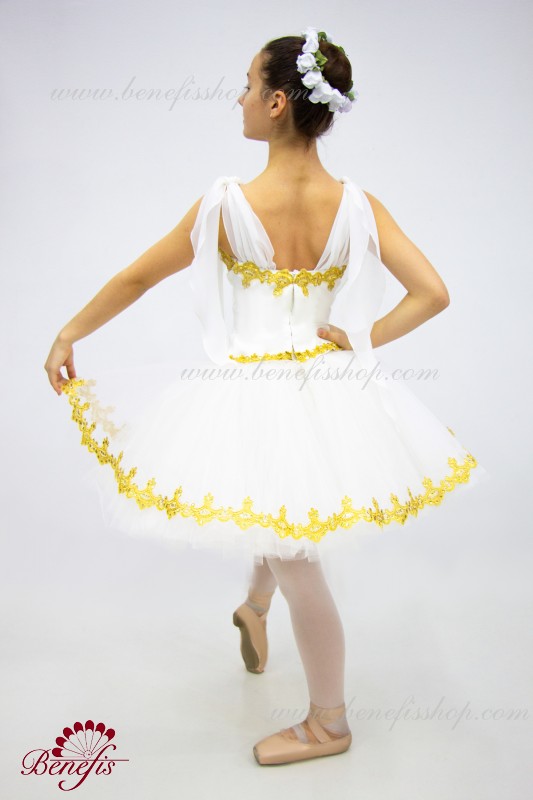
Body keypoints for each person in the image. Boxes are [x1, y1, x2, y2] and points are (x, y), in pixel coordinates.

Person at [44, 27, 489, 766]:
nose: (240, 98)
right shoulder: (357, 205)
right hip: (326, 391)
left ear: (278, 102)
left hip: (251, 391)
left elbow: (137, 277)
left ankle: (328, 723)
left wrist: (69, 332)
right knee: (279, 505)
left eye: (248, 86)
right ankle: (255, 609)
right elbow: (433, 293)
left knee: (297, 555)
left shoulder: (226, 205)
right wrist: (359, 337)